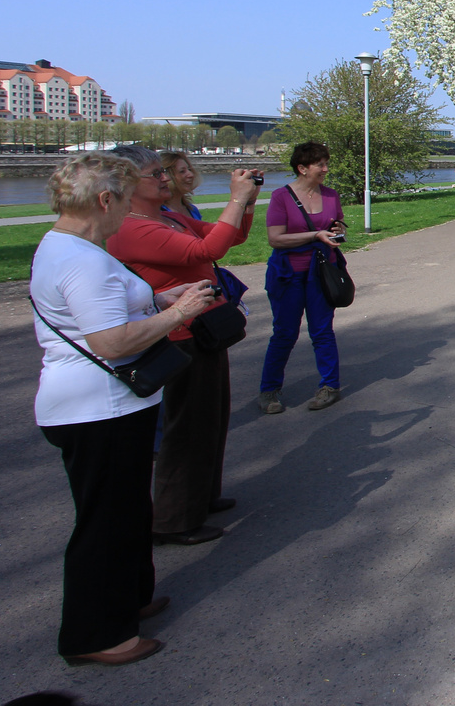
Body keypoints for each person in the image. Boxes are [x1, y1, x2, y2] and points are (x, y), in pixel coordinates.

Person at [30, 152, 215, 665]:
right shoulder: (82, 258)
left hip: (106, 406)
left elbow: (109, 308)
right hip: (96, 408)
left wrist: (157, 301)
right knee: (105, 523)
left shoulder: (71, 246)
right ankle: (97, 635)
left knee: (128, 510)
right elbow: (111, 340)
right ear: (105, 199)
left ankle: (130, 597)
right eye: (123, 201)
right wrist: (177, 313)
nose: (126, 214)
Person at [107, 145, 258, 545]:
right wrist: (236, 199)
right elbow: (207, 250)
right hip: (178, 335)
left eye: (163, 172)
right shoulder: (132, 227)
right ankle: (174, 519)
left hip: (203, 328)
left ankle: (201, 497)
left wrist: (246, 203)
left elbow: (232, 235)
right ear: (125, 183)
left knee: (212, 417)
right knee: (186, 428)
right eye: (155, 174)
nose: (165, 179)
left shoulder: (168, 217)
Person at [259, 141, 348, 414]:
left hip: (321, 273)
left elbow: (340, 225)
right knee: (284, 333)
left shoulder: (331, 195)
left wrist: (338, 229)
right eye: (320, 164)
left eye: (326, 163)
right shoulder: (281, 197)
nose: (325, 169)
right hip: (289, 274)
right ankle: (269, 390)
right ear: (302, 168)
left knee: (322, 331)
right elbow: (276, 239)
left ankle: (329, 386)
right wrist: (315, 235)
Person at [159, 150, 203, 220]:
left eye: (189, 169)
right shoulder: (159, 213)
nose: (191, 175)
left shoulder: (192, 210)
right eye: (182, 171)